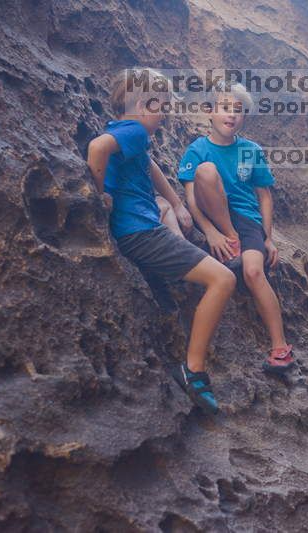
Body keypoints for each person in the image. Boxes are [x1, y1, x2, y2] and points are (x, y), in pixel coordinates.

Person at [86, 68, 236, 414]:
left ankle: (166, 290)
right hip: (140, 234)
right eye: (161, 106)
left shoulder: (127, 133)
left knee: (166, 209)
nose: (165, 114)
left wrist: (177, 203)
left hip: (138, 228)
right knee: (223, 279)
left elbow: (146, 163)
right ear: (142, 104)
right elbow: (97, 149)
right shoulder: (136, 130)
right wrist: (97, 196)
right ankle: (194, 370)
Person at [177, 81, 295, 374]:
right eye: (225, 108)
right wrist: (213, 232)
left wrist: (267, 239)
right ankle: (231, 241)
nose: (232, 115)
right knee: (206, 171)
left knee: (254, 271)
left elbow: (264, 195)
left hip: (247, 219)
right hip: (216, 217)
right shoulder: (198, 149)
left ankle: (280, 347)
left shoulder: (250, 150)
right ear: (210, 112)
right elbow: (191, 198)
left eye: (239, 110)